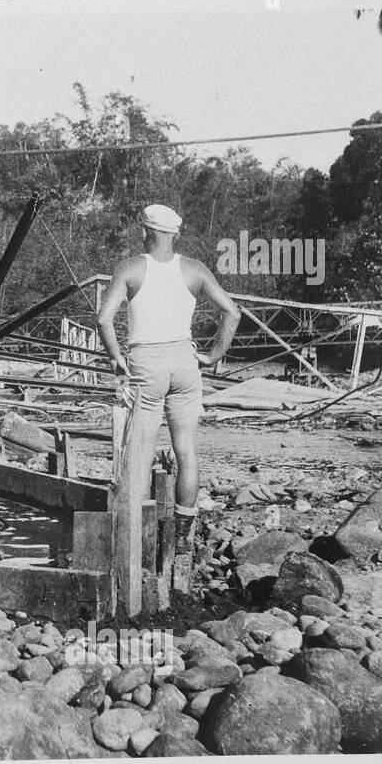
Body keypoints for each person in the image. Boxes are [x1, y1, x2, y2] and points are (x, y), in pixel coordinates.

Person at [95, 204, 240, 550]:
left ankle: (139, 539)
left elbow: (103, 319)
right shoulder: (194, 269)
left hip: (146, 362)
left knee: (142, 453)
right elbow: (232, 312)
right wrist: (212, 356)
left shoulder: (129, 268)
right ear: (176, 234)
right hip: (185, 361)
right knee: (187, 452)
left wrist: (116, 357)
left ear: (144, 232)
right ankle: (182, 537)